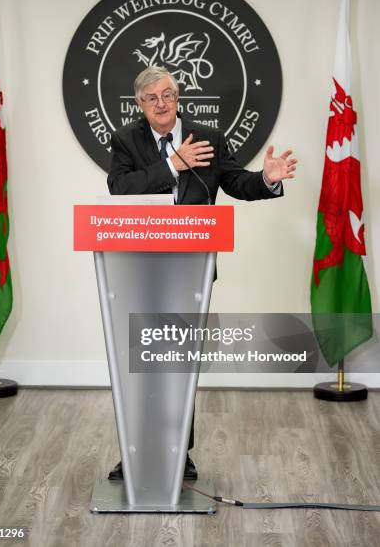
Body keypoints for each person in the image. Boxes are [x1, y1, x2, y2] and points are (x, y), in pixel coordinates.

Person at [107, 66, 297, 480]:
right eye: (152, 98)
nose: (161, 103)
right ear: (140, 104)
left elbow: (234, 182)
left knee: (179, 358)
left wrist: (266, 179)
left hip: (192, 266)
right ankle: (134, 450)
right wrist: (173, 165)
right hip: (138, 266)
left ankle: (179, 452)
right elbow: (119, 188)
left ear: (179, 98)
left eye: (169, 95)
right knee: (141, 359)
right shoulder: (126, 139)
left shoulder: (208, 137)